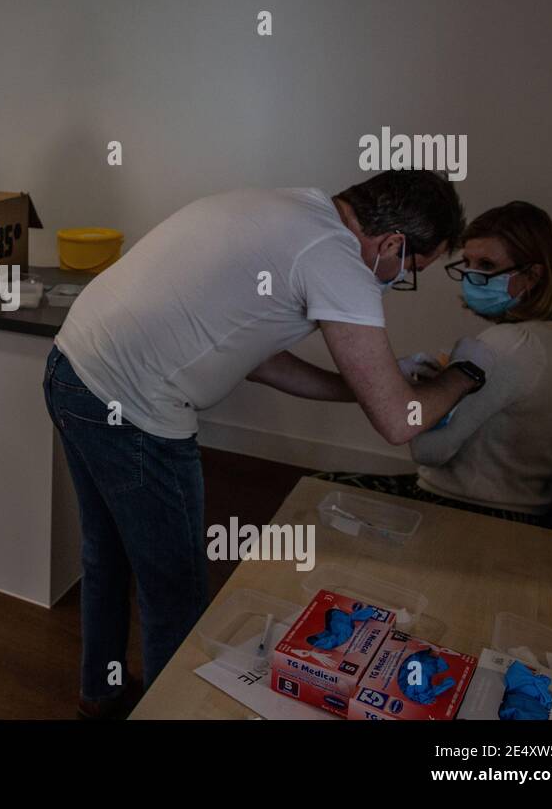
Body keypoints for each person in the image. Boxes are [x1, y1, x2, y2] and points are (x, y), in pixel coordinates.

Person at [45, 170, 483, 718]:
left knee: (106, 554)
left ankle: (101, 695)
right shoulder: (338, 261)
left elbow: (262, 361)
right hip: (134, 409)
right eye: (413, 268)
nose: (401, 278)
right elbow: (400, 421)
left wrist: (375, 381)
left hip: (72, 369)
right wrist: (463, 377)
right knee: (175, 590)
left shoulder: (290, 209)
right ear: (393, 242)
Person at [325, 201, 552, 525]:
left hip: (471, 511)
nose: (471, 276)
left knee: (319, 490)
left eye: (486, 265)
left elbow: (429, 452)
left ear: (531, 276)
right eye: (468, 263)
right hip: (524, 506)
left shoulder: (506, 345)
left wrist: (424, 391)